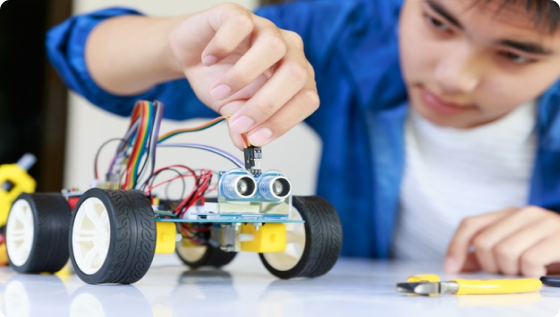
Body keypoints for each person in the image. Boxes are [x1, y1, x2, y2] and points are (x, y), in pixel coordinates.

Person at [46, 0, 560, 277]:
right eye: (437, 21)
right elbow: (79, 49)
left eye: (515, 55)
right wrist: (169, 46)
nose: (454, 78)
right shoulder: (351, 28)